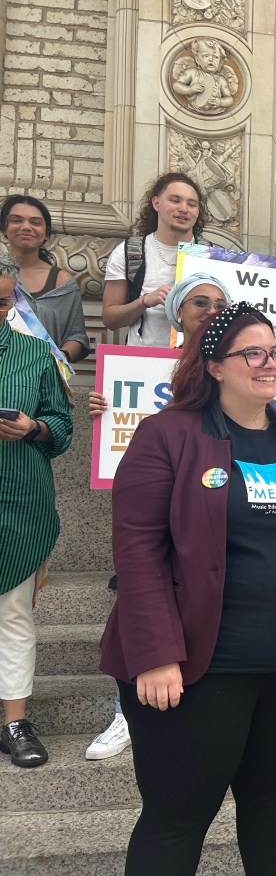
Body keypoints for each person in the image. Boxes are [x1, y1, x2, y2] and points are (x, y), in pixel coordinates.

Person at [99, 302, 276, 874]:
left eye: (275, 351)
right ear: (215, 366)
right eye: (252, 353)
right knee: (178, 816)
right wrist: (154, 654)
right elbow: (138, 553)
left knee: (273, 798)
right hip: (199, 669)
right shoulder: (165, 435)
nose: (269, 363)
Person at [84, 273, 234, 761]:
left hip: (217, 509)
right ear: (176, 312)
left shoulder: (243, 370)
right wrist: (102, 409)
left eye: (219, 303)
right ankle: (125, 712)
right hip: (161, 500)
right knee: (148, 585)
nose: (210, 310)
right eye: (199, 302)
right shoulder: (144, 365)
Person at [0, 261, 73, 768]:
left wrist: (32, 428)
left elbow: (61, 426)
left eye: (3, 302)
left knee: (13, 614)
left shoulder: (32, 353)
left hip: (19, 503)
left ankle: (15, 721)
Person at [102, 172, 207, 347]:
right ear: (156, 203)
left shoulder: (210, 256)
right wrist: (143, 302)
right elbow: (110, 320)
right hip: (142, 362)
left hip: (195, 361)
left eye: (192, 204)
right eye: (175, 200)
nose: (184, 208)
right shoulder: (127, 253)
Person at [1, 194, 90, 363]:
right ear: (4, 228)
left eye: (35, 222)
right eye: (16, 220)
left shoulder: (62, 281)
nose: (26, 227)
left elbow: (77, 336)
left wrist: (60, 357)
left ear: (46, 233)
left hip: (46, 377)